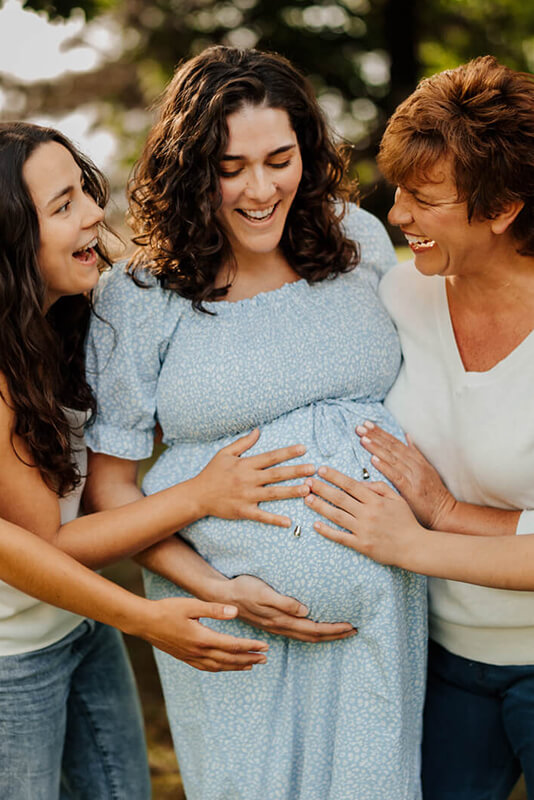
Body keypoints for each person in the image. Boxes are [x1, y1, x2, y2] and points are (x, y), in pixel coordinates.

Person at [84, 45, 427, 800]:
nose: (260, 189)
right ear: (189, 166)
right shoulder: (140, 294)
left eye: (280, 159)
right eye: (229, 167)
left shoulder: (356, 240)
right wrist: (220, 587)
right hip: (228, 621)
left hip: (381, 613)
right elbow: (108, 488)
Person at [0, 120, 330, 799]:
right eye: (63, 206)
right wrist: (196, 504)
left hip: (75, 625)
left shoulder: (68, 318)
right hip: (10, 660)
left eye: (85, 192)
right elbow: (43, 544)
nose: (95, 212)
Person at [307, 56, 534, 800]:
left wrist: (426, 532)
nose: (398, 215)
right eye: (398, 188)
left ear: (503, 208)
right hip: (437, 661)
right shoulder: (403, 294)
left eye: (425, 198)